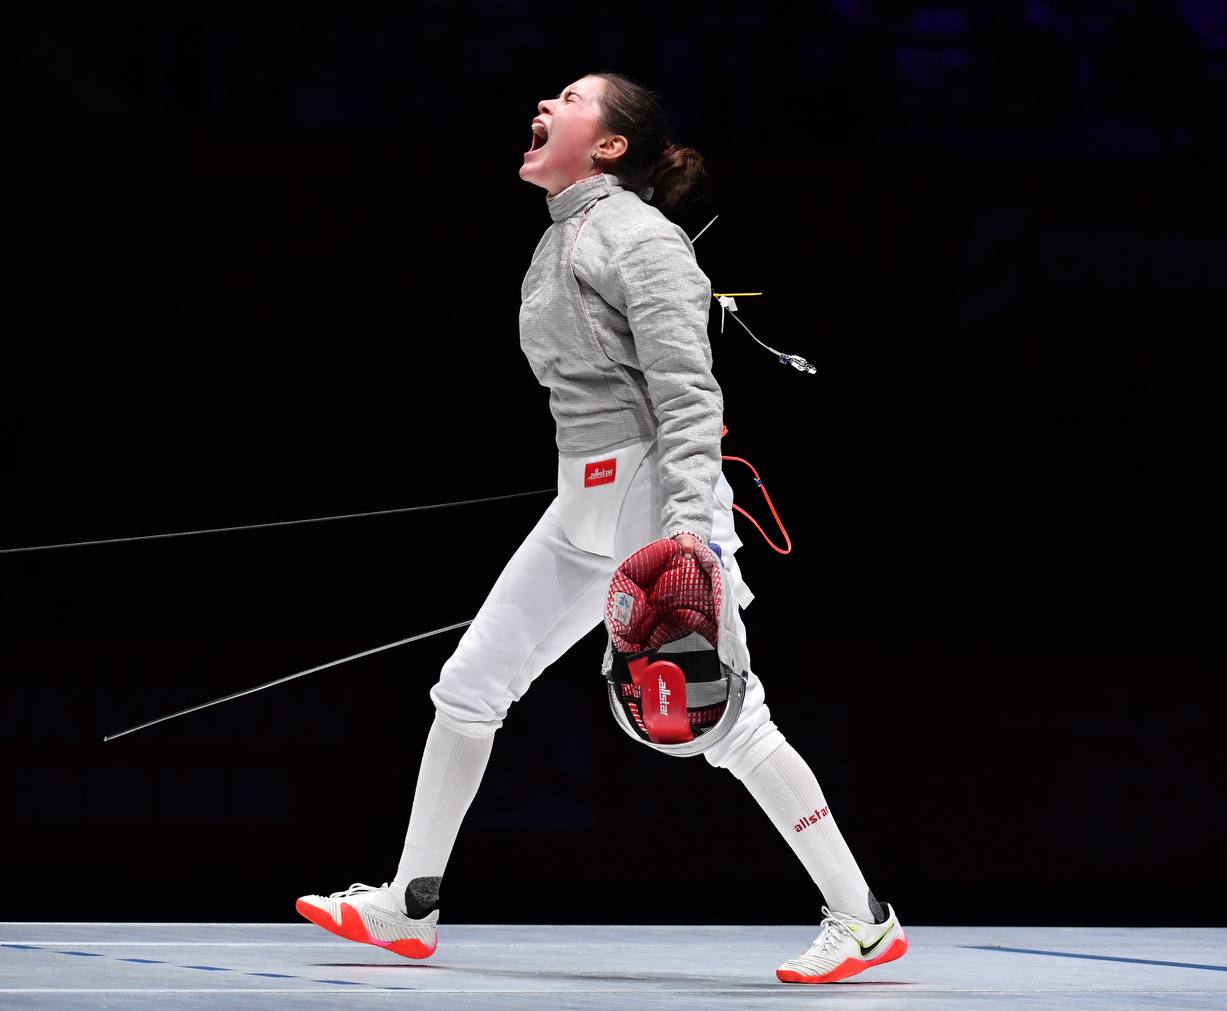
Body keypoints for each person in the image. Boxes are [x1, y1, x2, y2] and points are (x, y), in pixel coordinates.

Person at [296, 71, 907, 985]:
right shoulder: (562, 236)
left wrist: (689, 528)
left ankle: (863, 919)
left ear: (611, 145)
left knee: (728, 722)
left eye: (571, 100)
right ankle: (409, 905)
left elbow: (689, 393)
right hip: (582, 503)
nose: (545, 106)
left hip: (658, 501)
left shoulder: (641, 238)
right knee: (469, 686)